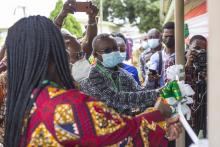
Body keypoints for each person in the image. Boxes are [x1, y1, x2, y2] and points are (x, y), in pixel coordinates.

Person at [4, 16, 182, 147]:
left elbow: (136, 94)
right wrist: (161, 113)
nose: (69, 55)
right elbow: (123, 136)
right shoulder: (67, 106)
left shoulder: (24, 102)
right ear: (51, 55)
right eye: (65, 47)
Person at [185, 35, 207, 145]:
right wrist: (188, 64)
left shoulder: (208, 64)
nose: (200, 52)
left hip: (203, 114)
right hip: (186, 116)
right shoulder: (179, 60)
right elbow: (179, 84)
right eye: (197, 48)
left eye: (203, 50)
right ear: (189, 47)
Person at [147, 22, 175, 88]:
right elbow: (149, 85)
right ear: (162, 36)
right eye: (166, 36)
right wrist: (151, 79)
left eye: (171, 36)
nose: (168, 39)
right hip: (162, 95)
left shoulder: (183, 56)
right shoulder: (155, 57)